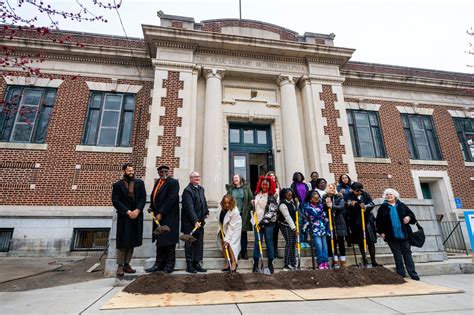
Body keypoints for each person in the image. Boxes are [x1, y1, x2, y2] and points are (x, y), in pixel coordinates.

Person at [376, 189, 420, 280]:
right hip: (391, 235)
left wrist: (408, 217)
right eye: (387, 195)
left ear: (395, 195)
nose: (389, 196)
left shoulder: (402, 205)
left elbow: (412, 216)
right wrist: (381, 232)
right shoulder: (382, 208)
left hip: (404, 234)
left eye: (390, 194)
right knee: (397, 254)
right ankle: (401, 274)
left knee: (407, 254)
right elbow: (378, 222)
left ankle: (412, 273)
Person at [111, 163, 146, 277]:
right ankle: (120, 266)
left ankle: (127, 264)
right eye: (129, 170)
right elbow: (116, 201)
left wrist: (137, 210)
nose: (131, 172)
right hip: (124, 217)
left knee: (132, 241)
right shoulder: (117, 185)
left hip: (136, 216)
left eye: (132, 170)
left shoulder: (139, 183)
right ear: (124, 171)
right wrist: (127, 211)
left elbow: (143, 198)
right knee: (122, 242)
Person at [145, 165, 180, 274]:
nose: (163, 173)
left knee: (169, 242)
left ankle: (169, 265)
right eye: (161, 172)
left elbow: (171, 199)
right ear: (158, 173)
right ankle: (158, 264)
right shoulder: (158, 183)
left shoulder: (173, 183)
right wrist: (151, 207)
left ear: (169, 172)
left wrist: (161, 212)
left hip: (169, 218)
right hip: (158, 218)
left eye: (165, 171)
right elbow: (155, 197)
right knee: (160, 241)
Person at [344, 182, 381, 267]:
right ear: (352, 190)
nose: (359, 192)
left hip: (367, 221)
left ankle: (373, 261)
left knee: (371, 242)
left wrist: (365, 206)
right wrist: (350, 204)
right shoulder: (349, 195)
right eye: (357, 191)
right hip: (356, 222)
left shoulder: (366, 195)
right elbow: (345, 204)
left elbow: (372, 204)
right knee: (361, 241)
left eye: (360, 190)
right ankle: (364, 260)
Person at [181, 171, 209, 273]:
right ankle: (189, 265)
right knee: (189, 244)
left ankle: (197, 263)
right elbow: (189, 208)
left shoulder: (201, 189)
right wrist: (195, 221)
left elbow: (204, 201)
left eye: (198, 176)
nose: (197, 178)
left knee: (198, 244)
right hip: (190, 223)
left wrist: (206, 212)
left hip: (200, 223)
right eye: (195, 177)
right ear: (190, 178)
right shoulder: (187, 191)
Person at [251, 175, 278, 274]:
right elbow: (256, 209)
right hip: (256, 222)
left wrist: (262, 222)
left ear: (270, 185)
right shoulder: (257, 194)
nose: (264, 186)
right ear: (260, 185)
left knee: (269, 242)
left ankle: (270, 265)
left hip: (268, 224)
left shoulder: (272, 196)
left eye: (266, 184)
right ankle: (255, 265)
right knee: (257, 243)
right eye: (263, 184)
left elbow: (272, 211)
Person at [226, 174, 253, 260]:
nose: (235, 179)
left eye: (236, 177)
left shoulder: (246, 188)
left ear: (240, 179)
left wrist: (249, 207)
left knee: (243, 234)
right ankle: (236, 253)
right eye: (233, 178)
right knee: (235, 235)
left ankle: (244, 253)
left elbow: (251, 198)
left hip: (243, 214)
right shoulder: (231, 189)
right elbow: (226, 200)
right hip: (234, 215)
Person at [322, 183, 348, 268]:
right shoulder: (324, 198)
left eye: (333, 188)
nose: (332, 189)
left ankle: (343, 261)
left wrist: (331, 206)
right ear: (327, 189)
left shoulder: (339, 197)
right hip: (329, 222)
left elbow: (341, 207)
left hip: (339, 221)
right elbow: (322, 208)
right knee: (331, 241)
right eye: (330, 188)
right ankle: (335, 260)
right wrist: (326, 205)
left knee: (340, 241)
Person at [303, 190, 329, 269]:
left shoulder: (321, 206)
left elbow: (324, 216)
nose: (317, 200)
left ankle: (325, 262)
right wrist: (305, 228)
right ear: (311, 199)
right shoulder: (308, 207)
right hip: (314, 229)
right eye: (315, 198)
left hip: (322, 228)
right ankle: (321, 262)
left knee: (325, 246)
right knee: (319, 245)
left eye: (318, 198)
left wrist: (327, 226)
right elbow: (307, 219)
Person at [217, 194, 242, 272]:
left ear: (232, 203)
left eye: (229, 203)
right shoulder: (221, 207)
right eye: (225, 203)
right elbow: (219, 216)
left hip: (235, 228)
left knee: (231, 244)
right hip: (223, 227)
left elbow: (231, 228)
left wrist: (227, 240)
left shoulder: (235, 211)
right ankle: (227, 262)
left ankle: (234, 263)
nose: (227, 205)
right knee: (223, 243)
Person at [278, 188, 298, 270]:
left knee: (293, 243)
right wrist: (294, 229)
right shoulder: (282, 205)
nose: (290, 196)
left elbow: (295, 212)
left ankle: (293, 262)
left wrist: (297, 203)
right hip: (284, 224)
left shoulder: (292, 203)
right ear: (284, 195)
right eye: (288, 195)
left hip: (292, 224)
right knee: (289, 242)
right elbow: (287, 217)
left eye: (291, 195)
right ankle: (286, 263)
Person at [290, 172, 310, 250]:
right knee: (300, 223)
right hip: (298, 205)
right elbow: (292, 194)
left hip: (305, 205)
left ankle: (305, 241)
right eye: (297, 176)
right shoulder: (293, 185)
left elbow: (308, 194)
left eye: (300, 175)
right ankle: (300, 241)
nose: (299, 177)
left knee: (306, 223)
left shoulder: (305, 185)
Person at [266, 171, 283, 259]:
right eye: (270, 176)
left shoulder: (278, 187)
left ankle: (275, 251)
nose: (272, 178)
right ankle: (271, 252)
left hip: (278, 212)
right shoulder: (266, 186)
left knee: (275, 233)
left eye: (274, 176)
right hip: (269, 212)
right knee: (270, 233)